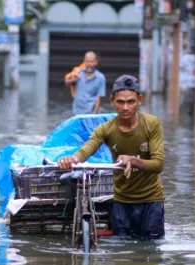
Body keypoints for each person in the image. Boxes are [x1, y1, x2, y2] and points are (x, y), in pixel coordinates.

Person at [58, 75, 165, 240]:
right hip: (122, 201)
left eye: (131, 102)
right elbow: (87, 149)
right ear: (112, 101)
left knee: (152, 250)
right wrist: (72, 159)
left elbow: (158, 164)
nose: (126, 107)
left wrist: (132, 160)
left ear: (139, 100)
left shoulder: (152, 124)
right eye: (121, 102)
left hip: (151, 201)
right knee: (121, 250)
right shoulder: (106, 129)